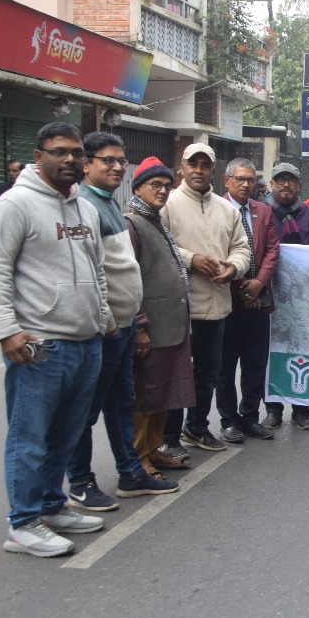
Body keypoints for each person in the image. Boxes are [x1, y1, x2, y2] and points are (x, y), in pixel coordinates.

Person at [0, 122, 110, 557]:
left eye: (76, 152)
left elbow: (97, 272)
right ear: (39, 156)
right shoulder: (14, 204)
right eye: (59, 152)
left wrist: (103, 317)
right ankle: (23, 522)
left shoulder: (86, 209)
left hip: (86, 340)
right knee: (29, 436)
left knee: (66, 435)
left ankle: (52, 507)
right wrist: (7, 331)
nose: (69, 159)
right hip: (40, 344)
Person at [65, 132, 177, 511]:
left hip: (125, 326)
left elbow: (123, 270)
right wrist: (111, 322)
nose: (116, 167)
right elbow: (92, 273)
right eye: (106, 160)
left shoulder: (108, 204)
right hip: (105, 329)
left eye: (120, 160)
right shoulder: (83, 206)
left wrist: (134, 322)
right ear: (86, 164)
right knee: (85, 410)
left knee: (122, 403)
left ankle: (130, 472)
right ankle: (80, 482)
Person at [160, 143, 252, 457]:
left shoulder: (227, 210)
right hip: (179, 309)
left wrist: (233, 268)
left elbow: (242, 249)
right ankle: (169, 438)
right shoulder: (168, 204)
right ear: (182, 168)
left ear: (213, 171)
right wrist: (192, 260)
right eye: (193, 164)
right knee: (177, 376)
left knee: (209, 372)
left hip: (217, 306)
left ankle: (196, 426)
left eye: (205, 165)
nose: (198, 170)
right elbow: (160, 247)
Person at [126, 157, 196, 478]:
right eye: (156, 184)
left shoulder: (154, 220)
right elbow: (129, 279)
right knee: (145, 395)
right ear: (137, 187)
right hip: (150, 329)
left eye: (167, 185)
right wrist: (140, 326)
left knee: (162, 393)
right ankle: (138, 457)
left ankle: (153, 449)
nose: (163, 190)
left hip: (171, 327)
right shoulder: (132, 223)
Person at [217, 158, 281, 444]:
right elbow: (216, 253)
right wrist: (245, 289)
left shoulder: (264, 211)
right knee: (225, 364)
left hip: (259, 299)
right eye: (240, 179)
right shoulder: (216, 209)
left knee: (255, 363)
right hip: (226, 301)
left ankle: (250, 417)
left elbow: (272, 250)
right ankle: (229, 420)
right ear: (226, 181)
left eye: (250, 180)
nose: (245, 184)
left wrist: (259, 284)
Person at [264, 162, 309, 430]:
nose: (285, 185)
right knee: (271, 352)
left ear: (299, 185)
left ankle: (302, 410)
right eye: (280, 180)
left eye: (291, 180)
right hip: (270, 293)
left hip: (302, 295)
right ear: (272, 184)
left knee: (301, 351)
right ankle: (272, 409)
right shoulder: (262, 212)